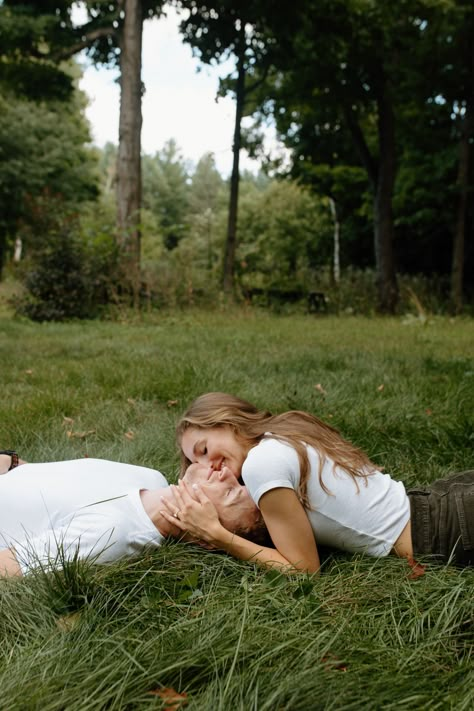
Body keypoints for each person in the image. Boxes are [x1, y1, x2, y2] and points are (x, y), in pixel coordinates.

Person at [160, 392, 474, 572]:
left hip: (440, 531)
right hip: (437, 503)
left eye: (202, 449)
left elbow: (304, 570)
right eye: (196, 462)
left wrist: (217, 535)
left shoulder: (261, 466)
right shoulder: (280, 434)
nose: (208, 465)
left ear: (225, 421)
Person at [0, 451, 262, 577]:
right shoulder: (151, 477)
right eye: (240, 483)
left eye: (230, 493)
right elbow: (40, 478)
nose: (228, 473)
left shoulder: (114, 534)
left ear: (205, 534)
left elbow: (10, 568)